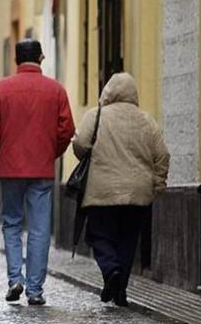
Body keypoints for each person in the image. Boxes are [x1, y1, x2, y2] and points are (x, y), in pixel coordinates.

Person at [0, 39, 75, 305]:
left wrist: (1, 150)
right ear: (41, 58)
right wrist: (51, 152)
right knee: (40, 228)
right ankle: (35, 290)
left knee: (11, 223)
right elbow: (66, 130)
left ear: (16, 60)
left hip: (10, 168)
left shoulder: (1, 88)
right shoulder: (56, 90)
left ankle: (14, 279)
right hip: (42, 168)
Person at [72, 72, 169, 307]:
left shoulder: (95, 116)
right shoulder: (147, 120)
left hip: (101, 192)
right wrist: (157, 184)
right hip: (138, 193)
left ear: (108, 92)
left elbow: (80, 145)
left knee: (98, 235)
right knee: (127, 240)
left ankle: (111, 270)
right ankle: (120, 291)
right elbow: (162, 155)